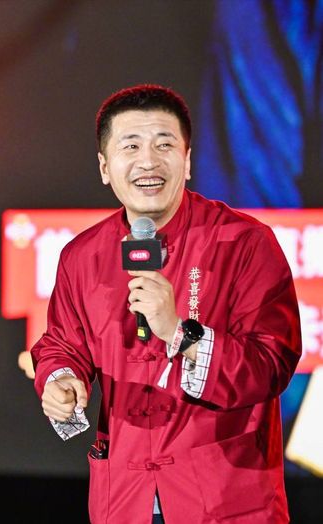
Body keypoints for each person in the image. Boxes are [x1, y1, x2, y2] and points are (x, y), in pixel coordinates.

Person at [31, 85, 301, 523]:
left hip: (225, 499)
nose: (148, 162)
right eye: (130, 146)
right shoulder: (82, 255)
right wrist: (61, 381)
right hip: (125, 497)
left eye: (164, 145)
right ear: (105, 167)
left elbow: (272, 363)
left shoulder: (246, 242)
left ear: (188, 161)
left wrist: (180, 332)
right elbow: (63, 344)